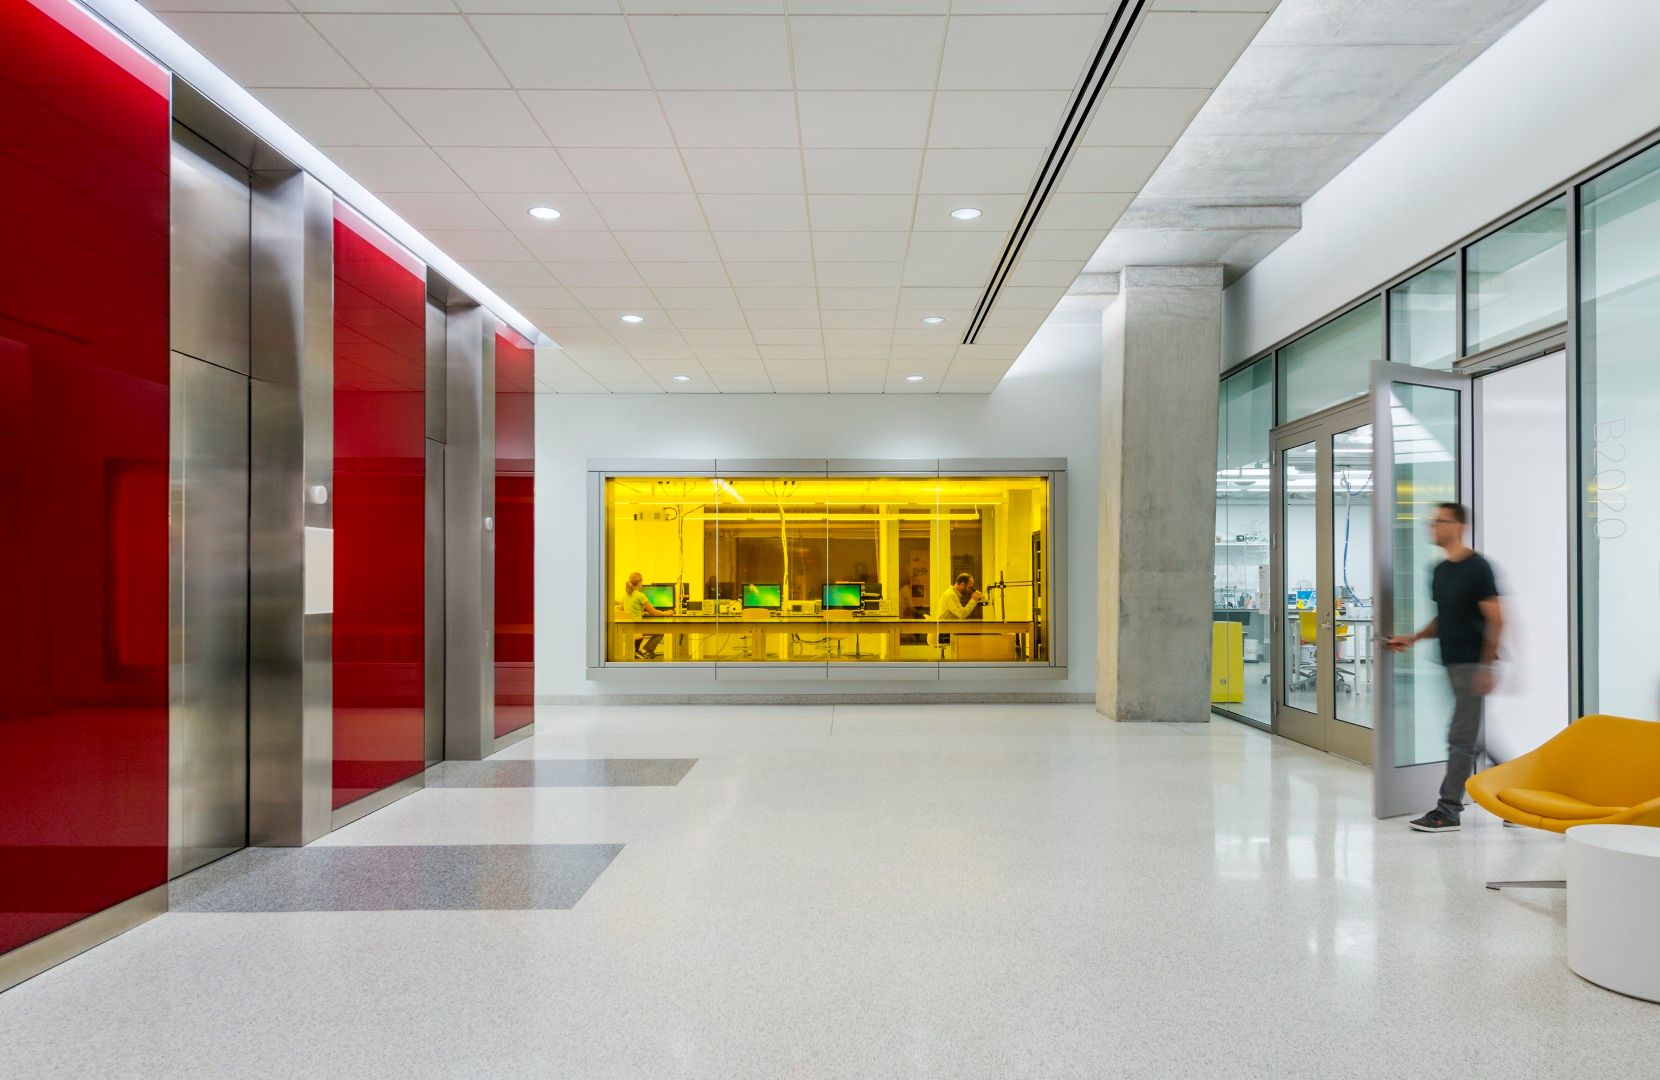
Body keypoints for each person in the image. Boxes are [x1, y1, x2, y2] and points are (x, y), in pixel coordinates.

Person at [1386, 502, 1504, 833]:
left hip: (1472, 665)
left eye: (1440, 521)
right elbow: (1444, 619)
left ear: (1460, 526)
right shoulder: (1439, 571)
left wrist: (1486, 666)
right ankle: (1518, 797)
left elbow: (1496, 618)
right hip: (1451, 663)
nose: (1433, 527)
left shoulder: (1478, 567)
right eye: (1432, 522)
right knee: (1471, 738)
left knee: (1461, 739)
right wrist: (1413, 638)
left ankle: (1448, 810)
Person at [623, 572, 669, 659]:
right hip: (637, 628)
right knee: (660, 632)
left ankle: (636, 652)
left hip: (628, 627)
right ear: (640, 582)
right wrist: (665, 613)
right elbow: (653, 612)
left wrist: (639, 612)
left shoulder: (625, 595)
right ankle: (645, 651)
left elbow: (622, 610)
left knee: (641, 631)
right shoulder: (640, 595)